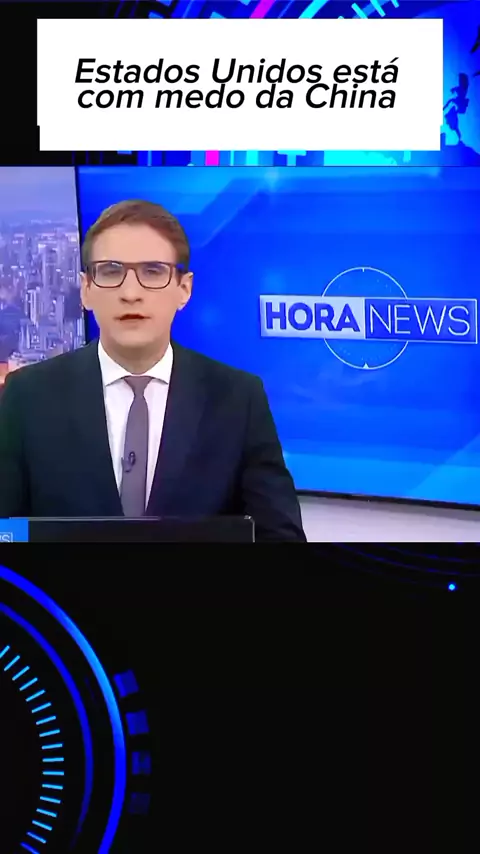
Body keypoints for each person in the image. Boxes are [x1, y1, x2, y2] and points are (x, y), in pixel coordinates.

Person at [0, 199, 306, 542]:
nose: (131, 293)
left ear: (184, 289)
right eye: (111, 271)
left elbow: (282, 538)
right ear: (86, 290)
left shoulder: (239, 399)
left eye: (153, 272)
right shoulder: (28, 396)